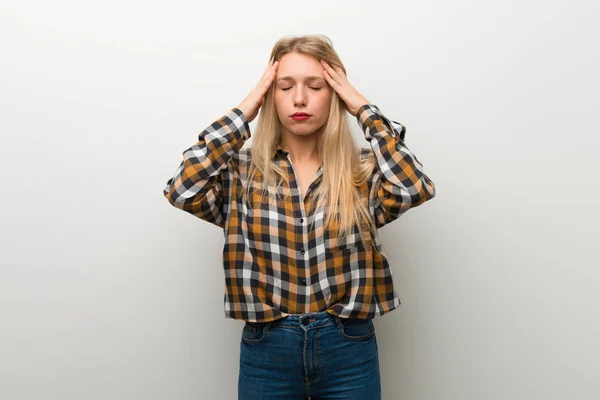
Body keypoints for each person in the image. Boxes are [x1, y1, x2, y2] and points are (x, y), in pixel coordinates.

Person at [163, 34, 436, 400]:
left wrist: (362, 108)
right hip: (267, 350)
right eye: (284, 86)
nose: (300, 99)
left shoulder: (363, 171)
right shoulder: (241, 173)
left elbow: (414, 187)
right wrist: (246, 108)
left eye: (316, 86)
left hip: (349, 347)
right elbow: (182, 189)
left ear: (335, 94)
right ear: (269, 96)